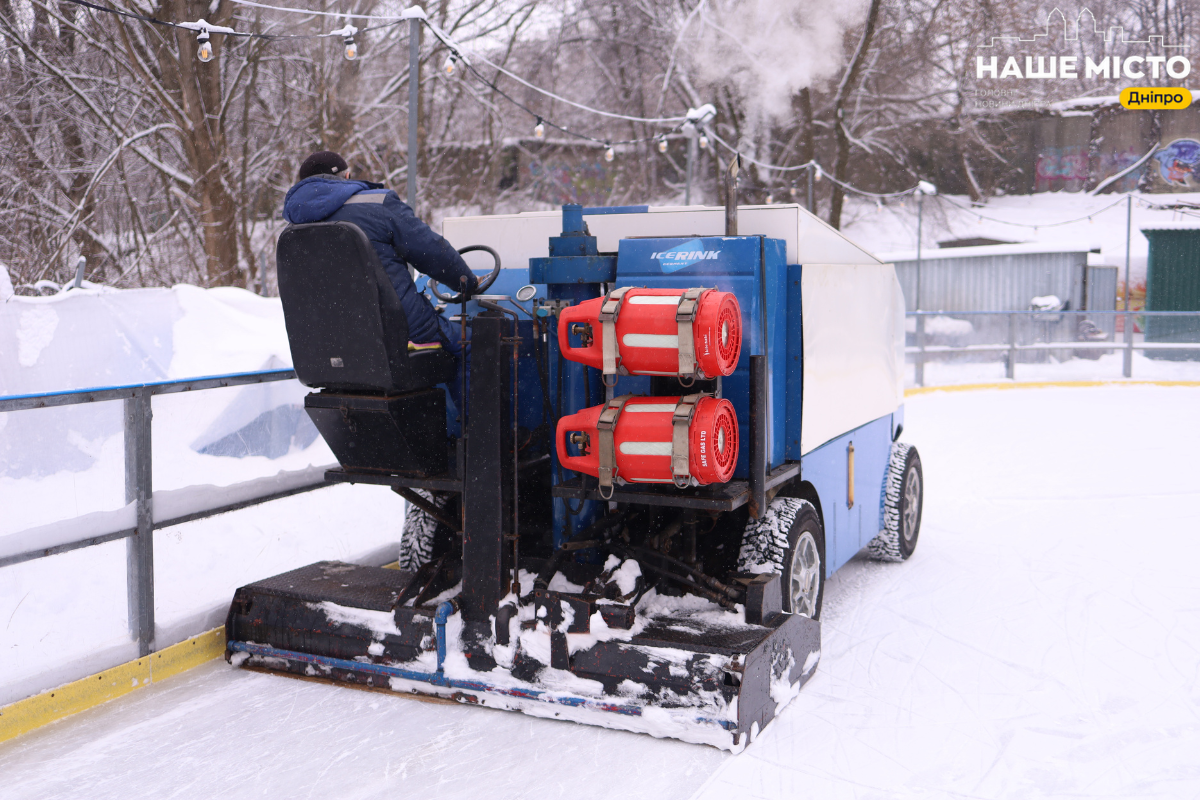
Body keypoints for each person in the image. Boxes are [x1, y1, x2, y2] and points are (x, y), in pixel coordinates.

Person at [281, 150, 477, 357]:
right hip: (399, 329)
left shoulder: (293, 224)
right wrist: (466, 283)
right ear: (347, 177)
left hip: (330, 341)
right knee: (476, 343)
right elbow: (433, 251)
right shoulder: (377, 204)